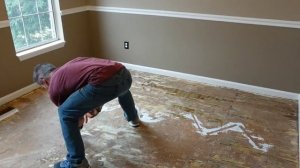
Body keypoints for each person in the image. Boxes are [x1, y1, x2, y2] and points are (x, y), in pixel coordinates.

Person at [33, 57, 140, 168]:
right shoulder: (71, 65)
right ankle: (133, 118)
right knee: (120, 89)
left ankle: (76, 162)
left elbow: (72, 114)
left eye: (44, 87)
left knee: (64, 113)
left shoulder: (54, 88)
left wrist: (81, 120)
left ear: (44, 81)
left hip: (104, 84)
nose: (47, 89)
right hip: (124, 75)